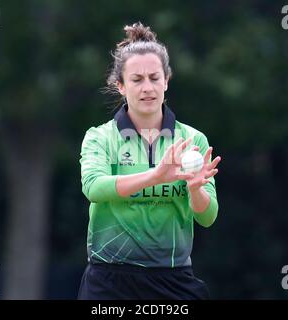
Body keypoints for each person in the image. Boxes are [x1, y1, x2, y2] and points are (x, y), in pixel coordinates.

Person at [77, 22, 221, 300]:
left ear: (166, 81)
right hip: (110, 280)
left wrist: (195, 189)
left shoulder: (192, 140)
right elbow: (94, 188)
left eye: (155, 78)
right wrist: (157, 175)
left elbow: (208, 216)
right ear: (120, 85)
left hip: (173, 278)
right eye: (137, 79)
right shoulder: (100, 137)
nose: (148, 88)